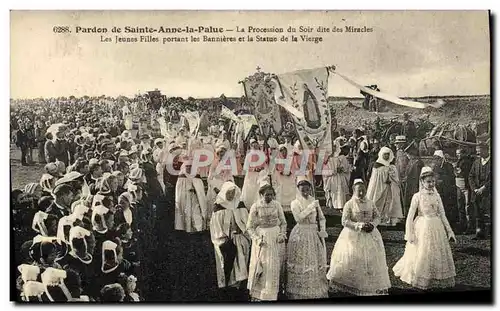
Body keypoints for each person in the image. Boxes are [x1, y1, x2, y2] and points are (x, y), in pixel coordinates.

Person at [393, 167, 456, 290]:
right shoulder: (417, 196)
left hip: (436, 226)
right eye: (428, 182)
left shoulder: (437, 196)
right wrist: (409, 233)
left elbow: (442, 214)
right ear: (422, 182)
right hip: (422, 226)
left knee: (436, 251)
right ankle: (421, 276)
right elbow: (410, 216)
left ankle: (435, 275)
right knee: (422, 251)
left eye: (433, 181)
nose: (431, 184)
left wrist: (450, 231)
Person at [327, 179, 391, 296]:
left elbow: (377, 217)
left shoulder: (370, 202)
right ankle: (351, 283)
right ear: (353, 191)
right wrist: (358, 225)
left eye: (363, 190)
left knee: (372, 258)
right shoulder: (349, 204)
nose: (361, 193)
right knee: (352, 257)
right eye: (359, 191)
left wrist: (372, 224)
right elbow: (344, 221)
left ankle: (370, 283)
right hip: (353, 234)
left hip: (370, 233)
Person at [286, 176, 328, 300]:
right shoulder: (295, 203)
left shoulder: (314, 200)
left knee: (313, 258)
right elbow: (298, 218)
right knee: (302, 258)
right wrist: (310, 207)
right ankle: (299, 289)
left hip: (313, 232)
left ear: (310, 189)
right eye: (302, 190)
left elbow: (321, 217)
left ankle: (314, 286)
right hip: (301, 231)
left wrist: (323, 230)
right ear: (298, 190)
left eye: (307, 190)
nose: (305, 192)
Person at [246, 181, 287, 301]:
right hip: (262, 237)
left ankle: (273, 292)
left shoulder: (277, 205)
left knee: (274, 264)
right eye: (266, 195)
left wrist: (282, 234)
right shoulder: (256, 206)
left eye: (271, 194)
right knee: (262, 263)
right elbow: (249, 226)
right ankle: (260, 293)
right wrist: (257, 239)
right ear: (261, 195)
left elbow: (283, 222)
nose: (269, 197)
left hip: (275, 237)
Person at [209, 182, 251, 295]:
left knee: (241, 256)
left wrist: (243, 232)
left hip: (239, 237)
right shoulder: (219, 207)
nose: (231, 195)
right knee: (228, 259)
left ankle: (239, 284)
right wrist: (224, 238)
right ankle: (228, 284)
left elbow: (247, 224)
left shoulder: (240, 205)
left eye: (233, 192)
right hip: (225, 239)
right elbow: (216, 227)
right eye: (229, 192)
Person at [366, 147, 403, 226]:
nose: (386, 156)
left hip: (389, 187)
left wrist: (391, 178)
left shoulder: (392, 166)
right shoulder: (377, 166)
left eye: (387, 154)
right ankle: (377, 218)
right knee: (378, 201)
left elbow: (396, 178)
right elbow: (374, 179)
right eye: (384, 154)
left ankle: (387, 218)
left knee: (389, 202)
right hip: (379, 187)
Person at [174, 159, 207, 232]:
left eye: (190, 166)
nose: (189, 168)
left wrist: (195, 190)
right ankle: (188, 231)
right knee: (187, 214)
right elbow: (179, 191)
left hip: (195, 198)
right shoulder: (181, 177)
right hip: (185, 199)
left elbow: (200, 190)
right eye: (187, 166)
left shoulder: (196, 176)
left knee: (196, 213)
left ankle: (198, 230)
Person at [468, 143, 491, 240]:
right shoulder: (476, 162)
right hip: (477, 192)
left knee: (488, 213)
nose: (477, 152)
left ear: (486, 150)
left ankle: (488, 234)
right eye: (477, 150)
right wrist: (475, 189)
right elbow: (470, 176)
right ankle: (479, 234)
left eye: (479, 150)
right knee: (478, 214)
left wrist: (484, 188)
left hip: (488, 192)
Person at [323, 141, 349, 210]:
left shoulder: (341, 157)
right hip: (331, 178)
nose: (333, 148)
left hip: (339, 177)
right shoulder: (326, 158)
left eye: (334, 146)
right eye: (331, 146)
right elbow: (323, 170)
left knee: (340, 191)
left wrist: (341, 169)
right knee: (333, 191)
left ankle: (341, 205)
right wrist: (332, 171)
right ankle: (333, 204)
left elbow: (346, 167)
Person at [455, 148, 475, 233]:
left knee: (467, 207)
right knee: (461, 206)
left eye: (459, 153)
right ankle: (463, 225)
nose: (457, 155)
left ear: (463, 153)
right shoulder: (459, 162)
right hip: (459, 185)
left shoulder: (467, 162)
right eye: (457, 154)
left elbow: (464, 173)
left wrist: (458, 171)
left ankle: (470, 226)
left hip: (465, 186)